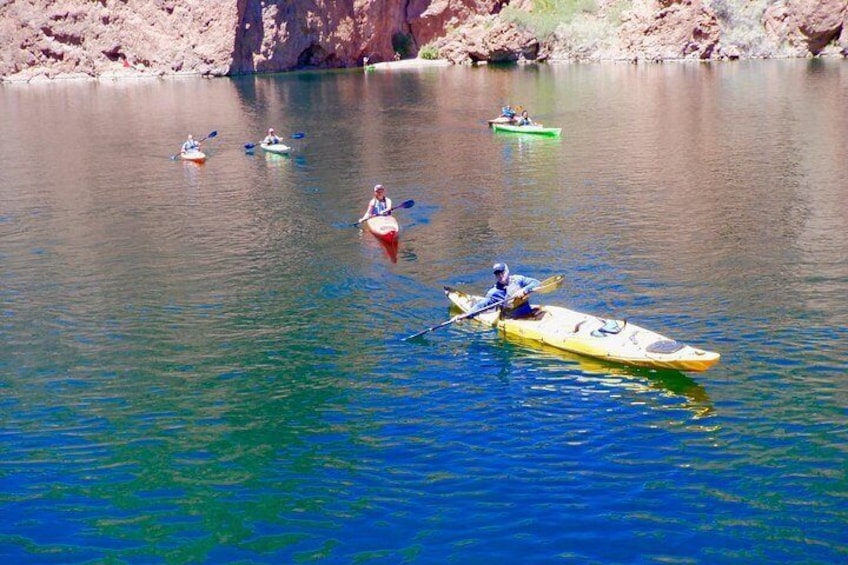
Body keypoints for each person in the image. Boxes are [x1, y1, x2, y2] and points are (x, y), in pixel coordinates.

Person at [473, 263, 541, 319]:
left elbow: (537, 283)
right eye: (497, 274)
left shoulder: (518, 279)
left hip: (528, 313)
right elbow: (481, 305)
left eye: (502, 272)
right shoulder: (494, 292)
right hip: (512, 319)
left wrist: (524, 290)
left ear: (507, 271)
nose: (500, 276)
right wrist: (469, 314)